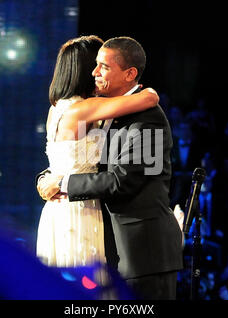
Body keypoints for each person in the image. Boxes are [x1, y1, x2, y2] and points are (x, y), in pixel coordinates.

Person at [37, 36, 183, 299]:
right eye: (94, 65)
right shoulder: (97, 112)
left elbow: (123, 181)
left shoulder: (148, 118)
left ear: (130, 74)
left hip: (143, 253)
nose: (95, 72)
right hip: (108, 243)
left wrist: (61, 183)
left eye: (103, 66)